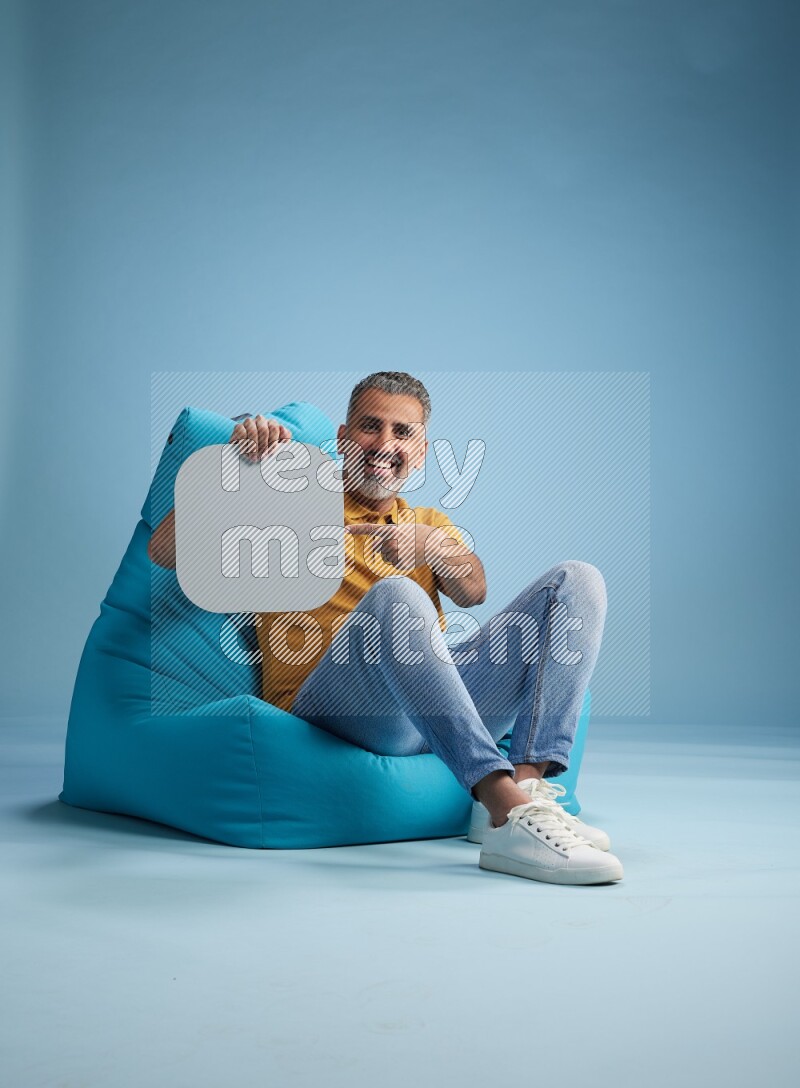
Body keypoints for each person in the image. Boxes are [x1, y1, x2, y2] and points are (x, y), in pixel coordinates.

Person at [149, 371, 623, 886]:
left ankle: (524, 794)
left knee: (578, 581)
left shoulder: (427, 523)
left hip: (431, 710)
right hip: (337, 709)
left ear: (419, 452)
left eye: (402, 433)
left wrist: (430, 548)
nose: (384, 444)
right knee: (398, 597)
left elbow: (474, 592)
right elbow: (166, 552)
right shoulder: (291, 501)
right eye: (371, 427)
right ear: (343, 437)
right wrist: (236, 467)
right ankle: (503, 804)